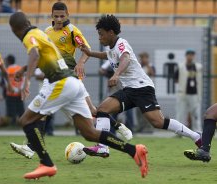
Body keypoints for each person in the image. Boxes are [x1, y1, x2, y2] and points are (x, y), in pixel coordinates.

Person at [9, 11, 148, 179]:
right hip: (73, 83)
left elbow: (35, 55)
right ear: (28, 21)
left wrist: (26, 81)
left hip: (59, 84)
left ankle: (46, 164)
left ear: (14, 29)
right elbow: (45, 56)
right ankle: (134, 150)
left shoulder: (29, 36)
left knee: (26, 120)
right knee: (89, 132)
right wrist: (24, 70)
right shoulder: (40, 32)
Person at [80, 14, 202, 157]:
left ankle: (196, 137)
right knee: (102, 110)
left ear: (111, 32)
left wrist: (117, 74)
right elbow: (106, 55)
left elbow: (125, 58)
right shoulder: (111, 48)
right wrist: (90, 53)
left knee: (158, 122)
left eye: (101, 34)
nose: (99, 38)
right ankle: (102, 147)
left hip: (142, 88)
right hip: (129, 90)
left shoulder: (121, 44)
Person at [174, 49, 202, 132]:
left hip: (194, 93)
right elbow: (176, 79)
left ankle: (198, 131)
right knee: (180, 113)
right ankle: (179, 131)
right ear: (186, 56)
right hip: (183, 93)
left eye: (192, 55)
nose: (190, 57)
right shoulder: (181, 66)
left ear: (194, 56)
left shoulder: (198, 67)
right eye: (189, 55)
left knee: (196, 114)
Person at [134, 52, 155, 133]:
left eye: (144, 58)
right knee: (138, 111)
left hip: (147, 91)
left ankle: (149, 128)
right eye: (141, 58)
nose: (143, 59)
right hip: (138, 90)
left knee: (148, 110)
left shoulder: (150, 66)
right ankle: (140, 126)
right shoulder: (138, 66)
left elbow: (152, 74)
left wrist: (147, 65)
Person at [3, 54, 25, 125]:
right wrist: (20, 89)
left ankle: (12, 125)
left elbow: (6, 82)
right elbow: (23, 80)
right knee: (21, 110)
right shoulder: (19, 68)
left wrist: (12, 89)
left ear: (8, 61)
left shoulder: (7, 70)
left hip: (10, 93)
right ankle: (21, 124)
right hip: (19, 93)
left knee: (10, 112)